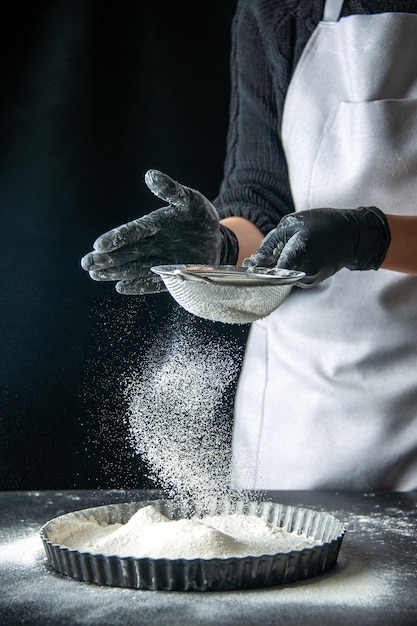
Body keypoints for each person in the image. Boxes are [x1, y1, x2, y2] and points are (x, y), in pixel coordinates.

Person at [81, 0, 417, 491]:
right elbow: (262, 195)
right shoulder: (278, 11)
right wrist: (224, 245)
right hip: (308, 409)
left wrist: (370, 237)